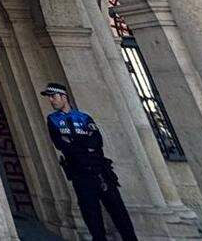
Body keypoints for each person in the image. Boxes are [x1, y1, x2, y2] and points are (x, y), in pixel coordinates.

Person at [41, 83, 138, 241]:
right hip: (80, 173)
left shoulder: (84, 117)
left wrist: (75, 141)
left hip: (100, 171)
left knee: (118, 211)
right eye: (49, 97)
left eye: (53, 96)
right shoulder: (53, 120)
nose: (51, 100)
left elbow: (96, 141)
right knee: (91, 215)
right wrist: (83, 144)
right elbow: (61, 144)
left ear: (64, 97)